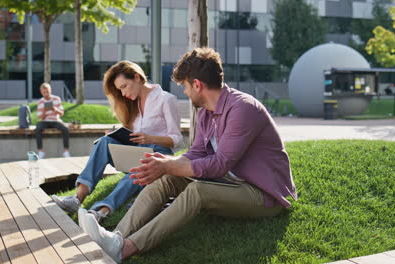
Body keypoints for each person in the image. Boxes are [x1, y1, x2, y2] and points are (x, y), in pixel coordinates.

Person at [77, 48, 297, 263]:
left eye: (184, 86)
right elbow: (197, 153)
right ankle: (116, 237)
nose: (184, 92)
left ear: (197, 85)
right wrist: (165, 163)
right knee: (166, 179)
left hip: (262, 194)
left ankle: (125, 249)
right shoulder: (205, 115)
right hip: (230, 181)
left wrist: (169, 166)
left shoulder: (243, 109)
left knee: (197, 190)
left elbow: (219, 164)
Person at [52, 61, 183, 222]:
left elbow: (177, 139)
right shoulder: (131, 104)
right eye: (120, 89)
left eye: (124, 86)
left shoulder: (166, 99)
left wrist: (150, 138)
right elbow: (132, 133)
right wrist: (116, 133)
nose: (123, 93)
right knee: (105, 141)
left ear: (137, 77)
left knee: (138, 167)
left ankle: (102, 211)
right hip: (136, 151)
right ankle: (77, 199)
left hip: (157, 154)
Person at [35, 82, 70, 159]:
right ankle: (40, 151)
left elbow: (61, 113)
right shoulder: (40, 102)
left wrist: (54, 109)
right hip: (45, 121)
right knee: (38, 129)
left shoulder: (57, 99)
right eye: (44, 92)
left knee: (65, 129)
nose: (46, 94)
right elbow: (40, 117)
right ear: (41, 92)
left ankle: (66, 151)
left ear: (50, 90)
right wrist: (44, 111)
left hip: (56, 120)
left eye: (47, 91)